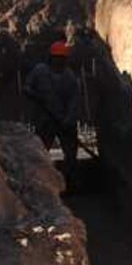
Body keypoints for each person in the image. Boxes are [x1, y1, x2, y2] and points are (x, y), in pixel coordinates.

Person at [23, 40, 81, 175]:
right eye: (57, 58)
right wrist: (35, 97)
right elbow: (27, 88)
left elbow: (74, 100)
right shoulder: (39, 71)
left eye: (62, 59)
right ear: (52, 58)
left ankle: (71, 180)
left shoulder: (69, 76)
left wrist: (68, 119)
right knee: (41, 153)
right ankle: (41, 179)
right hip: (45, 120)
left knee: (71, 154)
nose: (60, 61)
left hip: (65, 122)